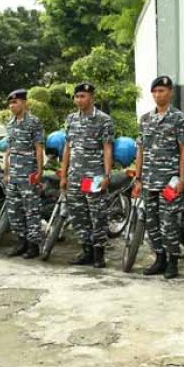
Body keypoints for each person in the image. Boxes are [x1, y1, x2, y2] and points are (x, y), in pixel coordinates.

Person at [134, 75, 184, 279]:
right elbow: (141, 149)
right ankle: (159, 258)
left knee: (169, 222)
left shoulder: (179, 118)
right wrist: (138, 178)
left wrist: (182, 179)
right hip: (149, 180)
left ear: (170, 93)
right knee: (152, 222)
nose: (158, 95)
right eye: (155, 92)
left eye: (162, 91)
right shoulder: (146, 119)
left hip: (169, 180)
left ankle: (173, 261)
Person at [59, 82, 115, 268]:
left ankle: (99, 254)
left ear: (92, 98)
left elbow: (107, 148)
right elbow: (67, 147)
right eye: (77, 96)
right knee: (78, 213)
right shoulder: (71, 119)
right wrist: (64, 174)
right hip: (75, 175)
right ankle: (86, 251)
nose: (79, 100)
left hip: (94, 175)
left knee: (97, 214)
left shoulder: (103, 120)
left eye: (83, 96)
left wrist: (107, 175)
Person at [3, 89, 44, 259]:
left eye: (16, 102)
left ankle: (33, 245)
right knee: (14, 210)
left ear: (24, 103)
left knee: (31, 210)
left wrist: (39, 171)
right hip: (13, 173)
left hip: (28, 173)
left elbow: (39, 147)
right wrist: (6, 171)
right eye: (10, 103)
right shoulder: (10, 123)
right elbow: (9, 149)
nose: (12, 106)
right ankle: (21, 242)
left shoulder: (34, 122)